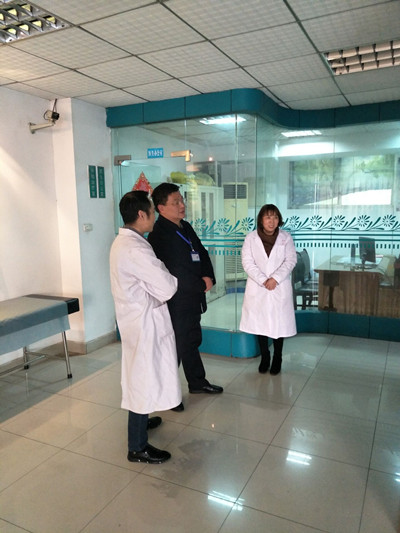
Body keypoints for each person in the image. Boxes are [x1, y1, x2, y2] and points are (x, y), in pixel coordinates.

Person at [109, 190, 181, 464]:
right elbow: (167, 286)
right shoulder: (135, 249)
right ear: (142, 214)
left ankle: (140, 420)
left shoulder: (124, 242)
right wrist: (164, 282)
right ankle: (137, 446)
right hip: (143, 322)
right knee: (142, 377)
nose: (153, 216)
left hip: (135, 319)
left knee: (141, 374)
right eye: (152, 211)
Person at [148, 183, 223, 409]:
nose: (182, 205)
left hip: (192, 296)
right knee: (175, 347)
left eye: (182, 200)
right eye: (176, 202)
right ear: (161, 208)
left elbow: (201, 252)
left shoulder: (185, 226)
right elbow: (175, 271)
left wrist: (208, 276)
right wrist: (200, 284)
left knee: (190, 341)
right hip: (176, 300)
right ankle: (168, 396)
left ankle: (197, 382)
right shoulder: (159, 235)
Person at [240, 204, 297, 375]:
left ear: (279, 220)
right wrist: (263, 280)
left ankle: (277, 357)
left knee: (279, 324)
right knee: (260, 323)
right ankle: (265, 356)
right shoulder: (251, 238)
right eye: (268, 217)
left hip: (279, 286)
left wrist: (275, 279)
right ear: (261, 220)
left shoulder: (286, 238)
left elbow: (290, 260)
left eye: (275, 217)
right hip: (259, 287)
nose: (271, 221)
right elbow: (247, 262)